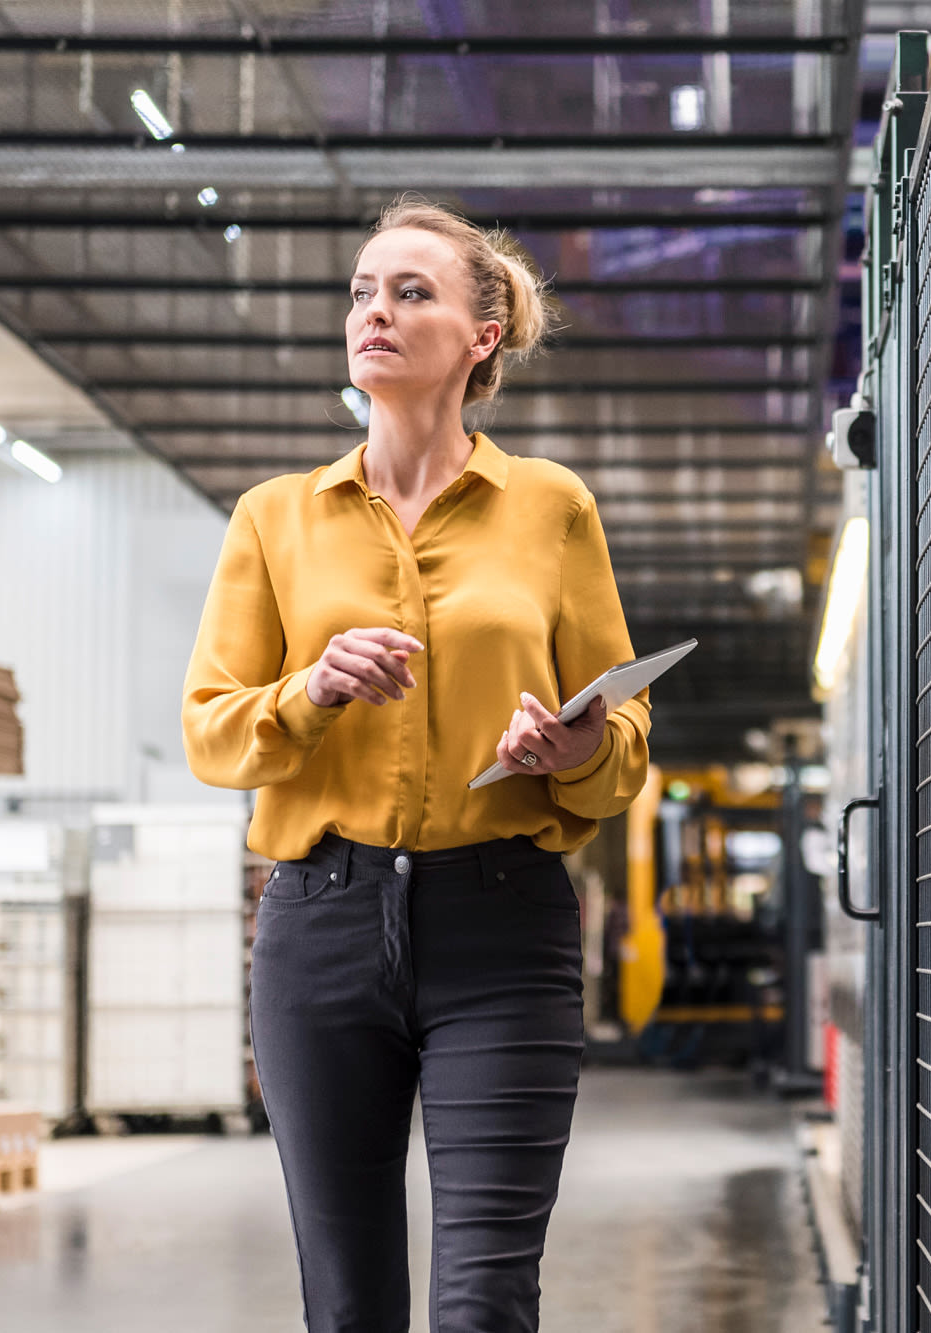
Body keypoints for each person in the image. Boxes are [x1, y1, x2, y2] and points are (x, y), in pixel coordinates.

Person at [181, 197, 651, 1332]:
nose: (373, 312)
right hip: (320, 927)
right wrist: (311, 688)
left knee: (485, 1300)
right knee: (347, 1306)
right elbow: (211, 729)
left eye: (409, 291)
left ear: (481, 335)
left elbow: (624, 742)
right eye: (360, 291)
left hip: (502, 926)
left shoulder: (550, 508)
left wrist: (576, 743)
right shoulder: (273, 518)